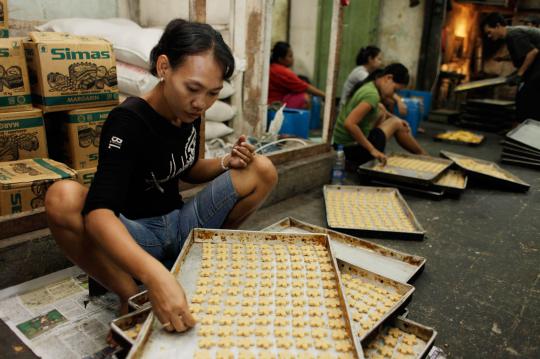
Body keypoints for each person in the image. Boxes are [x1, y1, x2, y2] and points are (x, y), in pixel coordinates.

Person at [44, 19, 278, 333]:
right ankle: (133, 294)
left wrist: (227, 161)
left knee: (261, 169)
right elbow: (99, 213)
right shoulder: (127, 121)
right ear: (164, 67)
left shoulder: (189, 112)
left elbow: (188, 170)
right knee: (63, 197)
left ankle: (204, 255)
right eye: (193, 89)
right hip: (140, 238)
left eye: (212, 94)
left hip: (180, 222)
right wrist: (154, 278)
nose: (201, 103)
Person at [333, 63, 427, 165]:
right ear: (388, 78)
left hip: (341, 146)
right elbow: (349, 124)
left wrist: (394, 117)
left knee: (387, 115)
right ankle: (424, 156)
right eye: (395, 90)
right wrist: (372, 150)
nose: (392, 94)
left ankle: (423, 155)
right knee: (396, 124)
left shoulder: (369, 85)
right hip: (349, 151)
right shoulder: (372, 95)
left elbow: (381, 108)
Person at [482, 12, 540, 121]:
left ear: (498, 26)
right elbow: (523, 54)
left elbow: (532, 52)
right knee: (524, 99)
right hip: (536, 69)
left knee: (527, 100)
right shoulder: (511, 35)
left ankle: (527, 131)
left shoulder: (513, 34)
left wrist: (519, 75)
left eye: (489, 32)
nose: (489, 36)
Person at [339, 46, 407, 116]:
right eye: (379, 59)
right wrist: (399, 100)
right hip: (346, 109)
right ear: (370, 59)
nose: (381, 62)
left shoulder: (370, 73)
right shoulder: (360, 72)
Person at [268, 41, 325, 109]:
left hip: (271, 103)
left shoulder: (271, 68)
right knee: (304, 97)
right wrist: (325, 95)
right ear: (280, 59)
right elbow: (305, 87)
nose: (293, 59)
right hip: (274, 105)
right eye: (290, 56)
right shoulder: (281, 71)